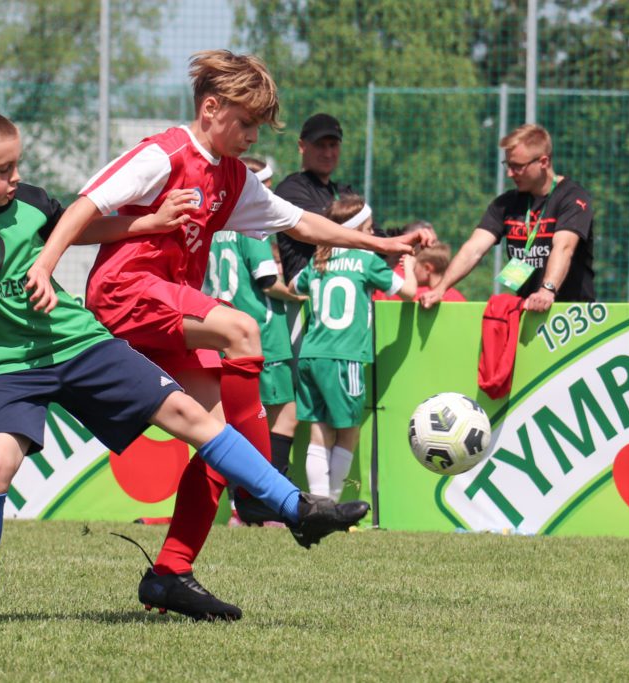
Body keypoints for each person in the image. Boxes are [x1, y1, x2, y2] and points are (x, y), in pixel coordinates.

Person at [0, 109, 371, 625]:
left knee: (190, 416)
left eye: (17, 165)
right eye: (2, 169)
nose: (16, 177)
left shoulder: (31, 203)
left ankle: (295, 508)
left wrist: (147, 222)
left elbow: (83, 228)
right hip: (8, 369)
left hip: (79, 345)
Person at [25, 52, 433, 619]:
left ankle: (171, 572)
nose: (251, 136)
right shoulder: (164, 154)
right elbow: (84, 209)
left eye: (258, 127)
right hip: (126, 292)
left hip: (167, 309)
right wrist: (45, 266)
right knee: (242, 327)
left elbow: (299, 222)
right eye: (245, 123)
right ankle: (266, 491)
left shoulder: (233, 177)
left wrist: (380, 244)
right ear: (211, 108)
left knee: (221, 444)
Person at [292, 196, 415, 500]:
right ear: (355, 230)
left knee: (319, 431)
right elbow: (409, 292)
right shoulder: (366, 260)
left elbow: (295, 286)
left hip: (311, 354)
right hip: (344, 356)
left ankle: (318, 503)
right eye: (368, 229)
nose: (372, 235)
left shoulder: (318, 260)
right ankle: (332, 503)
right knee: (349, 432)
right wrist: (409, 266)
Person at [204, 157, 305, 523]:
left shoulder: (212, 224)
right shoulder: (251, 224)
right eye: (267, 186)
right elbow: (267, 280)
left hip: (219, 332)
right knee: (284, 418)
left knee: (233, 425)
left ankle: (238, 507)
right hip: (260, 334)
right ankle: (270, 504)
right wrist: (301, 294)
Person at [420, 123, 595, 312]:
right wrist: (441, 289)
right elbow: (474, 249)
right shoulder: (506, 203)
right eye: (508, 165)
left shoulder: (572, 198)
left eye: (517, 166)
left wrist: (547, 290)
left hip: (571, 314)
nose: (510, 173)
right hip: (527, 309)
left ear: (543, 162)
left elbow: (564, 247)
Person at [273, 113, 354, 284]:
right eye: (320, 145)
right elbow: (322, 226)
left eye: (333, 145)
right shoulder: (290, 190)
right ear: (302, 146)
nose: (328, 153)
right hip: (306, 294)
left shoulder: (344, 192)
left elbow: (376, 233)